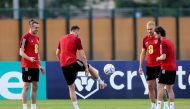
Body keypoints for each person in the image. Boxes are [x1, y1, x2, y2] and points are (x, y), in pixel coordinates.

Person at [56, 25, 107, 109]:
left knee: (71, 88)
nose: (78, 34)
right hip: (73, 62)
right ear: (76, 31)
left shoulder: (61, 38)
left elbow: (57, 53)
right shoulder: (76, 39)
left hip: (64, 66)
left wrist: (62, 62)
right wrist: (86, 69)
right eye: (78, 33)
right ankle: (101, 83)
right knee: (89, 67)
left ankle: (76, 108)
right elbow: (83, 56)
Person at [139, 21, 169, 109]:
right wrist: (140, 66)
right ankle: (153, 105)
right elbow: (143, 53)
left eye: (150, 29)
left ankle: (166, 104)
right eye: (147, 29)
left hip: (159, 65)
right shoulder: (145, 39)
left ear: (154, 28)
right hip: (149, 66)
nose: (149, 31)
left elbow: (165, 49)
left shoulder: (159, 38)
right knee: (150, 86)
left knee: (160, 87)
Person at [19, 19, 45, 109]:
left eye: (38, 28)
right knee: (26, 86)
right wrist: (29, 58)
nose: (37, 29)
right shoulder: (25, 37)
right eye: (36, 27)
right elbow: (21, 52)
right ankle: (24, 107)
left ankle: (33, 107)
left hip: (35, 66)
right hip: (27, 65)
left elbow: (37, 53)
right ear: (31, 27)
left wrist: (40, 65)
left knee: (35, 86)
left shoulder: (37, 38)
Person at [154, 26, 176, 109]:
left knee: (159, 87)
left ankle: (158, 107)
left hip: (166, 68)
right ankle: (171, 107)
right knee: (169, 89)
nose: (155, 36)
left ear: (159, 34)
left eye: (156, 34)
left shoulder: (163, 42)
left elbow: (163, 56)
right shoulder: (170, 42)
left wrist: (158, 58)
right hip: (173, 68)